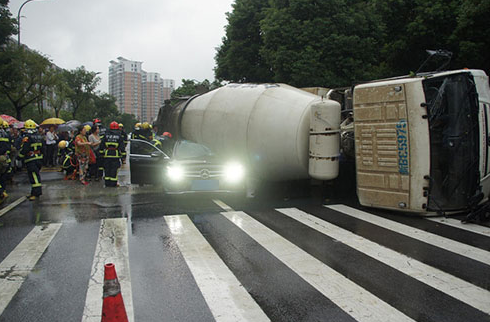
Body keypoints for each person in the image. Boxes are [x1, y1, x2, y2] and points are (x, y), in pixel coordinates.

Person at [18, 120, 44, 200]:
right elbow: (43, 148)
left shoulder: (27, 138)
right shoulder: (39, 136)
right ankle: (33, 192)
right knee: (35, 175)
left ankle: (36, 193)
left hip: (31, 159)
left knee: (34, 177)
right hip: (38, 159)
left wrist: (19, 157)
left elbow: (25, 149)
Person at [101, 121, 125, 187]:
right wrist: (123, 156)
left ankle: (107, 183)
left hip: (107, 155)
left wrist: (102, 154)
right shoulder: (119, 135)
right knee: (114, 170)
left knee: (107, 169)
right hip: (115, 155)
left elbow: (101, 145)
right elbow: (122, 147)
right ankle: (113, 184)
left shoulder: (106, 135)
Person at [0, 120, 11, 203]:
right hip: (5, 157)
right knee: (2, 176)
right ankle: (3, 191)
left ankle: (1, 193)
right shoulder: (5, 133)